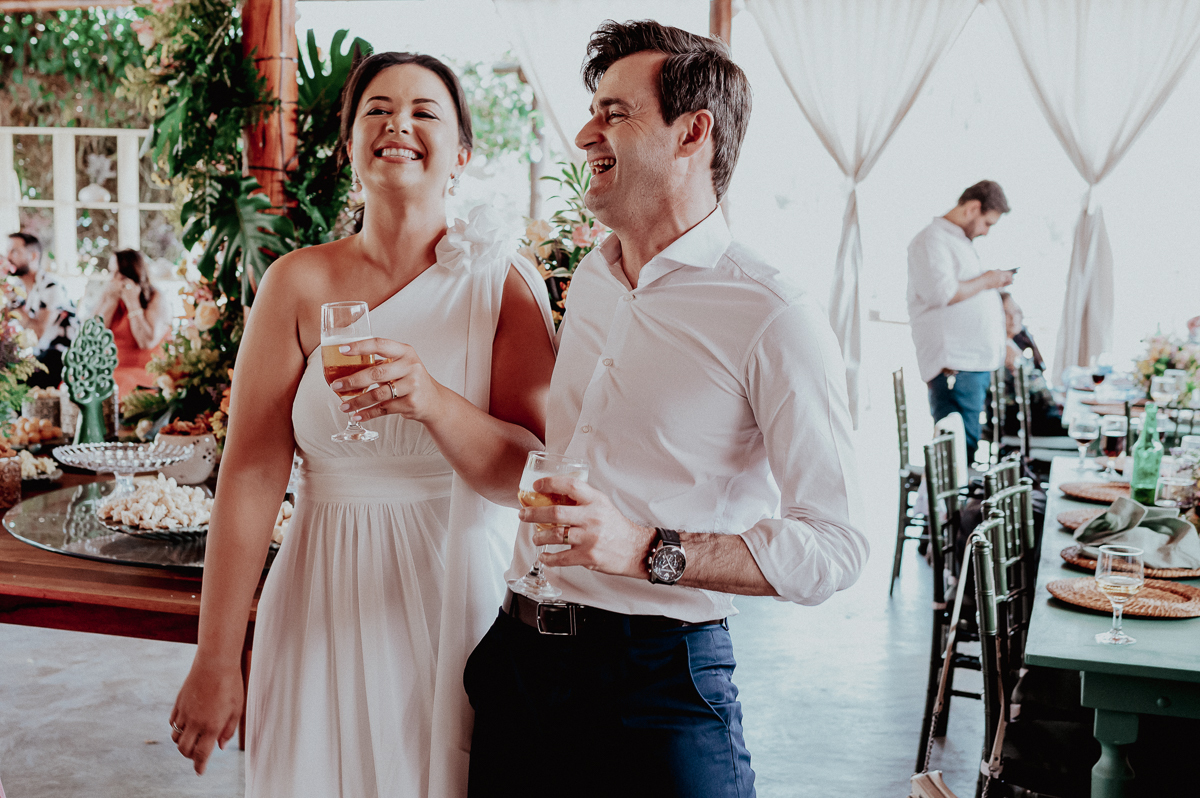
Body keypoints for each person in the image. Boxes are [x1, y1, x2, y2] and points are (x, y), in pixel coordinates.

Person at [454, 21, 867, 797]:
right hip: (520, 663)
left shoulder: (774, 313)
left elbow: (835, 547)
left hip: (657, 683)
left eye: (614, 114)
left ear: (692, 133)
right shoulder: (592, 278)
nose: (585, 134)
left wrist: (648, 548)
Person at [168, 52, 557, 798]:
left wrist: (432, 401)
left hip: (454, 591)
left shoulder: (501, 284)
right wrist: (216, 656)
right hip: (319, 585)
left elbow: (530, 476)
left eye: (423, 111)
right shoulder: (296, 282)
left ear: (462, 154)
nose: (397, 124)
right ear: (350, 145)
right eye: (377, 110)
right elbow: (251, 474)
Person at [907, 180, 1012, 463]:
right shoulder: (931, 240)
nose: (986, 231)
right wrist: (988, 280)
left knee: (965, 450)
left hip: (971, 365)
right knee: (956, 457)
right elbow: (942, 293)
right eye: (987, 223)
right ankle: (951, 496)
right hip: (955, 365)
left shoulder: (958, 241)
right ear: (973, 208)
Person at [91, 249, 171, 397]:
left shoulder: (155, 297)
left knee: (116, 385)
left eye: (118, 274)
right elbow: (92, 338)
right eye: (111, 272)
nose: (112, 279)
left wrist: (133, 303)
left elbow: (146, 342)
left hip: (143, 371)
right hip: (111, 369)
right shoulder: (109, 295)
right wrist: (111, 302)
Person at [2, 232, 76, 387]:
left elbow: (37, 333)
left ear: (34, 256)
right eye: (7, 251)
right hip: (35, 356)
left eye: (14, 251)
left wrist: (12, 301)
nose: (8, 257)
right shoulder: (19, 288)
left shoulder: (51, 287)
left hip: (62, 358)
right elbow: (5, 324)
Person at [1001, 292, 1063, 437]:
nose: (1013, 318)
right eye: (1006, 313)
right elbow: (1031, 391)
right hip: (1027, 424)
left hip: (1037, 416)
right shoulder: (1006, 350)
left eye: (1016, 312)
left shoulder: (1016, 343)